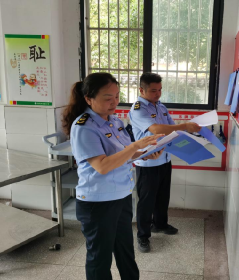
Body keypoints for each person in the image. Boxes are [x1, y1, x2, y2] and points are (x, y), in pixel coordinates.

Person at [62, 72, 164, 280]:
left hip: (121, 196)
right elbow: (102, 165)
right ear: (89, 99)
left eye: (117, 96)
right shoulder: (84, 128)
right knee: (100, 258)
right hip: (97, 203)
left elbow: (123, 154)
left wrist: (144, 153)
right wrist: (136, 146)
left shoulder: (115, 121)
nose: (114, 102)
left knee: (125, 251)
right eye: (107, 98)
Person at [129, 72, 201, 253]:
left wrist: (192, 140)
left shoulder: (160, 106)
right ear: (141, 90)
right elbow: (156, 129)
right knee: (146, 201)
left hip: (164, 158)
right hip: (147, 162)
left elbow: (171, 129)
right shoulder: (139, 108)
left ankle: (160, 224)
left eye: (160, 90)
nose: (158, 94)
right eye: (153, 91)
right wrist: (185, 126)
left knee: (162, 196)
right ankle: (143, 236)